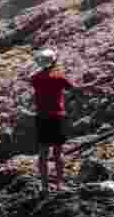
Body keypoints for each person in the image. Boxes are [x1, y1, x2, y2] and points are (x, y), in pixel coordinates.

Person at [28, 48, 97, 196]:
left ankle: (44, 186)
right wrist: (93, 84)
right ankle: (59, 185)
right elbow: (76, 90)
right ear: (54, 61)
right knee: (58, 154)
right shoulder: (59, 77)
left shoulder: (34, 78)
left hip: (42, 118)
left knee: (43, 154)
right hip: (57, 117)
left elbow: (36, 76)